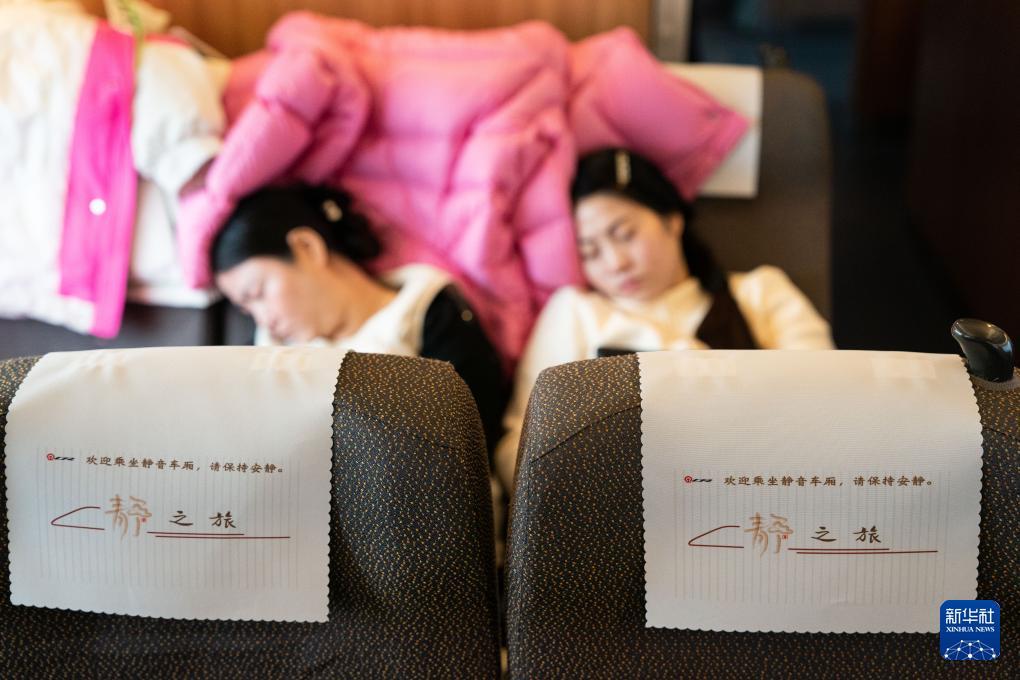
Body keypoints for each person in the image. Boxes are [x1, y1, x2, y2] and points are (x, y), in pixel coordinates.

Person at [495, 148, 834, 490]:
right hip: (615, 502)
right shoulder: (576, 312)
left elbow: (825, 404)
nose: (615, 263)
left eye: (625, 234)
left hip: (751, 495)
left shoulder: (759, 293)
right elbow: (517, 449)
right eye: (590, 252)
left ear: (672, 220)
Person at [211, 184, 508, 453]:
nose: (263, 320)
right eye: (247, 310)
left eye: (258, 293)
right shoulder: (264, 351)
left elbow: (472, 435)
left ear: (307, 247)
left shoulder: (425, 309)